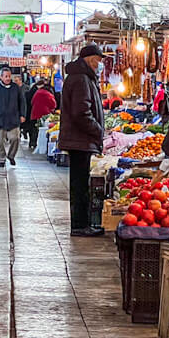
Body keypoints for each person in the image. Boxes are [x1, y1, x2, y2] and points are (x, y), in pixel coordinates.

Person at [59, 44, 106, 237]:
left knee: (80, 183)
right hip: (80, 140)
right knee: (80, 185)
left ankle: (82, 224)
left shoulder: (82, 77)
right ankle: (80, 225)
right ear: (88, 59)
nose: (99, 65)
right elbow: (81, 112)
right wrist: (97, 130)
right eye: (97, 60)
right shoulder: (81, 79)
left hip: (79, 140)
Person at [0, 66, 23, 168]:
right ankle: (1, 159)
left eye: (9, 76)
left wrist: (22, 114)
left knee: (15, 139)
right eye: (6, 76)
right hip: (0, 119)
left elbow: (22, 102)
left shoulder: (16, 88)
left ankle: (11, 156)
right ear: (1, 77)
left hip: (13, 119)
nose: (8, 78)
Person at [29, 80, 57, 151]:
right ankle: (43, 144)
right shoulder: (49, 94)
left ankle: (32, 142)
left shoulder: (37, 92)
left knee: (34, 129)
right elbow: (54, 104)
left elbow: (32, 102)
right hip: (45, 114)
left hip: (35, 113)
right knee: (44, 129)